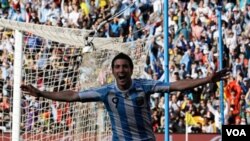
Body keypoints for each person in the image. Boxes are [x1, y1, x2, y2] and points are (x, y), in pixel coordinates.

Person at [20, 53, 230, 141]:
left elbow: (175, 85)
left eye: (125, 67)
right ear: (113, 71)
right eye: (117, 67)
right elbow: (73, 95)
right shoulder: (106, 92)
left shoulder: (144, 86)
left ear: (130, 70)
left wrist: (206, 80)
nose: (121, 70)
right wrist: (42, 93)